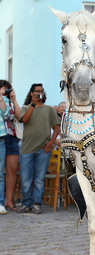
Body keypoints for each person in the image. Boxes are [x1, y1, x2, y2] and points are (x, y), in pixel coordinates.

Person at [17, 84, 60, 214]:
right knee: (25, 179)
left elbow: (56, 127)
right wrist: (33, 104)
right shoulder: (25, 108)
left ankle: (36, 204)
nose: (39, 93)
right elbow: (24, 120)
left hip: (43, 149)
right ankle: (26, 204)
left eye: (41, 91)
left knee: (39, 178)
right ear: (31, 93)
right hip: (27, 149)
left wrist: (51, 143)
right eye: (37, 91)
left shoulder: (49, 109)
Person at [0, 80, 21, 211]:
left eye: (7, 89)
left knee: (12, 169)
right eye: (3, 89)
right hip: (2, 135)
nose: (5, 92)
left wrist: (14, 99)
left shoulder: (9, 101)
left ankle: (8, 200)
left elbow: (18, 116)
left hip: (11, 137)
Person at [0, 84, 10, 214]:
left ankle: (0, 203)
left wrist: (0, 97)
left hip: (0, 139)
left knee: (0, 174)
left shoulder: (4, 99)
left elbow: (6, 114)